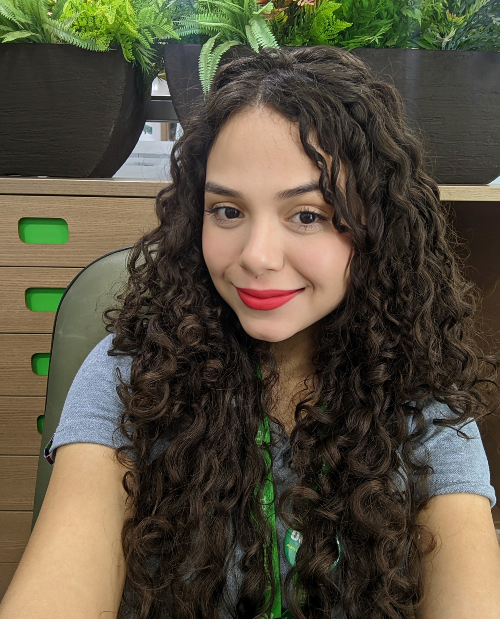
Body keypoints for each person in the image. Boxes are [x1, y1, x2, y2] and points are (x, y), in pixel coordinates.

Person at [1, 46, 500, 619]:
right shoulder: (132, 377)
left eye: (308, 215)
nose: (256, 257)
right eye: (228, 211)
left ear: (376, 227)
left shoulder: (422, 402)